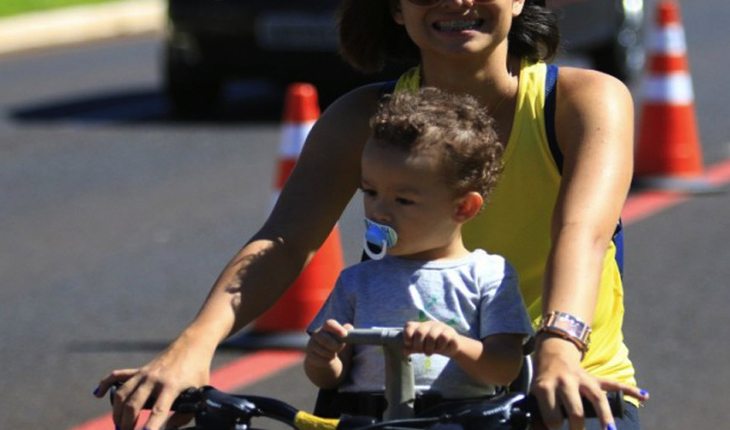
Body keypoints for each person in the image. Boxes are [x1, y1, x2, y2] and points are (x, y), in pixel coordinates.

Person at [95, 1, 649, 429]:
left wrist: (557, 351)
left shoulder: (581, 101)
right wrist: (192, 348)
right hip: (400, 401)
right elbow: (285, 241)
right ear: (395, 8)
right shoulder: (360, 118)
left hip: (565, 385)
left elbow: (581, 233)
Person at [304, 88, 533, 416]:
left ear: (463, 207)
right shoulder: (357, 281)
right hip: (369, 418)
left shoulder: (488, 275)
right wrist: (322, 357)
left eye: (403, 200)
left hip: (457, 417)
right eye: (370, 192)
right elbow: (330, 379)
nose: (379, 211)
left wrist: (454, 344)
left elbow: (504, 368)